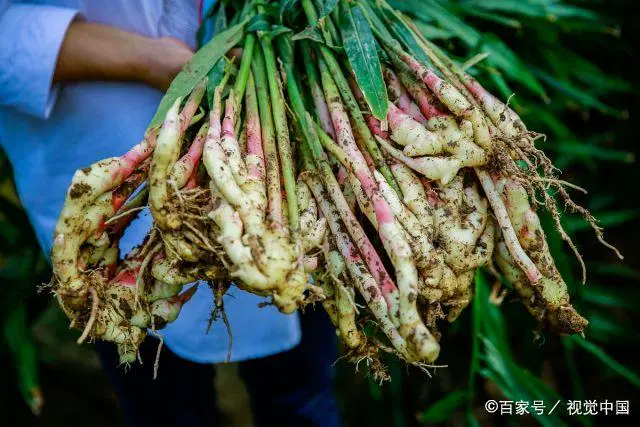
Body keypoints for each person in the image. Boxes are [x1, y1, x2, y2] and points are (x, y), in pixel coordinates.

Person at [0, 1, 339, 426]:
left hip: (283, 156)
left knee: (300, 393)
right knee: (161, 399)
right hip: (99, 144)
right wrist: (148, 60)